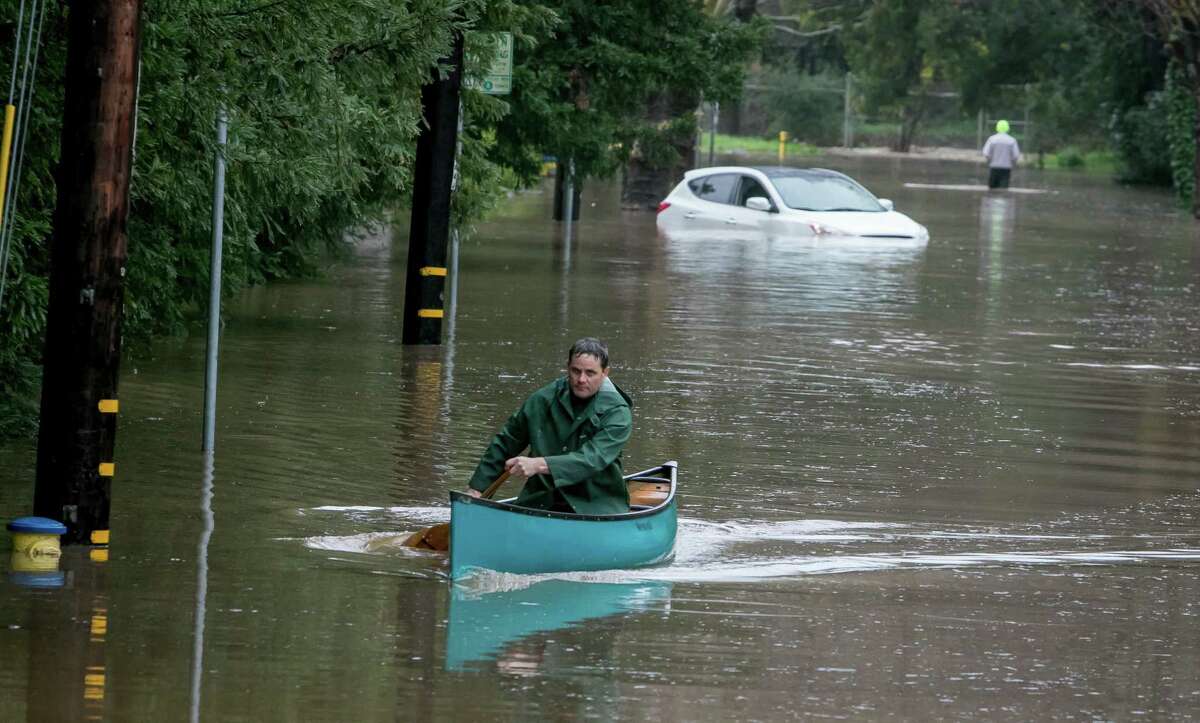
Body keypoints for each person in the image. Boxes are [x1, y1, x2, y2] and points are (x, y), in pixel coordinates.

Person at [465, 338, 633, 515]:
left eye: (590, 373)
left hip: (595, 505)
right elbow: (507, 441)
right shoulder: (543, 399)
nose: (581, 379)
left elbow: (591, 459)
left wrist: (539, 464)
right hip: (540, 501)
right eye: (576, 371)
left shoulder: (618, 413)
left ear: (605, 373)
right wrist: (477, 489)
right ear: (568, 367)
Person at [982, 119, 1020, 189]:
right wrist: (1012, 162)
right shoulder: (1012, 140)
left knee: (992, 190)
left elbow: (986, 153)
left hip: (994, 168)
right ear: (1008, 128)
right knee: (1004, 189)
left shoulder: (992, 139)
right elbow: (1016, 156)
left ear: (997, 128)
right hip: (1006, 169)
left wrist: (989, 160)